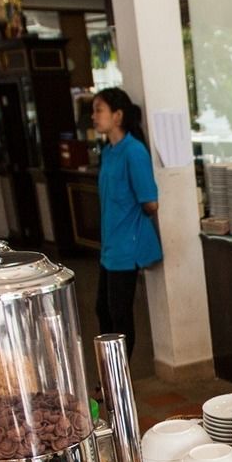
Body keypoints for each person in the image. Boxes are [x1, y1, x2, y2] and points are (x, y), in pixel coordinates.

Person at [92, 86, 161, 344]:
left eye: (99, 110)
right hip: (110, 246)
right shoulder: (108, 152)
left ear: (118, 116)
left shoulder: (134, 151)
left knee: (119, 315)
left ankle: (121, 378)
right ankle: (110, 375)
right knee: (103, 310)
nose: (94, 116)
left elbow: (150, 203)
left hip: (126, 247)